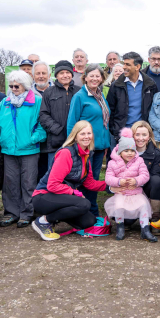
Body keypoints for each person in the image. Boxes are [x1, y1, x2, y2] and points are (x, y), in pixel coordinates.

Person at [0, 70, 47, 228]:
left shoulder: (37, 102)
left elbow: (43, 125)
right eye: (11, 86)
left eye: (17, 86)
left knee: (28, 183)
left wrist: (32, 139)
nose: (13, 88)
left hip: (29, 150)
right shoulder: (4, 103)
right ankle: (11, 213)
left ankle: (27, 213)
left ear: (25, 86)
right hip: (8, 150)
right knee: (10, 183)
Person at [30, 121, 108, 240]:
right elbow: (52, 185)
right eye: (82, 134)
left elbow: (90, 183)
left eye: (89, 133)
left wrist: (112, 186)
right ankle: (43, 221)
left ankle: (53, 218)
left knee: (89, 221)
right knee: (84, 204)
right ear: (75, 136)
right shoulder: (66, 153)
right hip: (43, 196)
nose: (86, 136)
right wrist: (74, 193)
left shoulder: (86, 155)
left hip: (62, 197)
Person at [65, 64, 110, 216]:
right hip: (84, 147)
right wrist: (72, 146)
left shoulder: (100, 95)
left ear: (102, 78)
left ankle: (91, 211)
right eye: (91, 75)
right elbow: (72, 123)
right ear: (85, 77)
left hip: (98, 147)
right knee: (86, 181)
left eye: (98, 76)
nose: (95, 79)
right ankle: (88, 213)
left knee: (94, 180)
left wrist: (105, 144)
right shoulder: (80, 96)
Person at [104, 127, 157, 242]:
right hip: (121, 193)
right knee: (119, 206)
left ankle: (145, 229)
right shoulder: (113, 163)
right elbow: (108, 178)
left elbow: (145, 175)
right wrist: (118, 182)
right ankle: (120, 227)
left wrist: (137, 180)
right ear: (120, 151)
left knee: (143, 205)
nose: (130, 153)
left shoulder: (139, 161)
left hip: (135, 192)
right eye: (126, 151)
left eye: (132, 151)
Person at [107, 52, 157, 146]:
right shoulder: (116, 85)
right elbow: (110, 110)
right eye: (124, 64)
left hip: (143, 136)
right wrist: (115, 130)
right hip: (122, 135)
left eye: (127, 64)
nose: (124, 67)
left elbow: (155, 109)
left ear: (137, 67)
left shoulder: (150, 84)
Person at [39, 60, 79, 168]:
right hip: (55, 142)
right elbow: (43, 114)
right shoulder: (49, 92)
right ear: (56, 75)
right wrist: (57, 129)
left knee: (75, 173)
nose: (65, 75)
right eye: (61, 73)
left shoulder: (79, 91)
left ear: (72, 74)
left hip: (76, 141)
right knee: (54, 174)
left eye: (67, 72)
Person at [131, 120, 160, 220]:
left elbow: (154, 175)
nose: (140, 138)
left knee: (157, 181)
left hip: (146, 187)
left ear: (149, 136)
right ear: (132, 136)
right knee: (128, 221)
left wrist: (140, 184)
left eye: (144, 135)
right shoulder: (125, 152)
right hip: (130, 188)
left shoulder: (155, 153)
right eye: (137, 135)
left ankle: (155, 214)